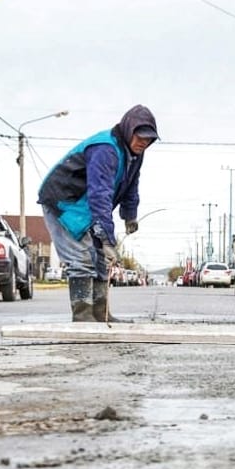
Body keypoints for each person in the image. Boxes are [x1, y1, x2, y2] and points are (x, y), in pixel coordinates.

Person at [38, 104, 157, 322]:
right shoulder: (105, 149)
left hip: (87, 206)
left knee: (101, 260)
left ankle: (101, 314)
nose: (144, 142)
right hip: (65, 202)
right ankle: (83, 317)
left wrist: (130, 215)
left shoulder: (135, 155)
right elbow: (100, 195)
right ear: (129, 130)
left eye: (149, 139)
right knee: (81, 258)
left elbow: (131, 186)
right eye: (140, 136)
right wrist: (107, 240)